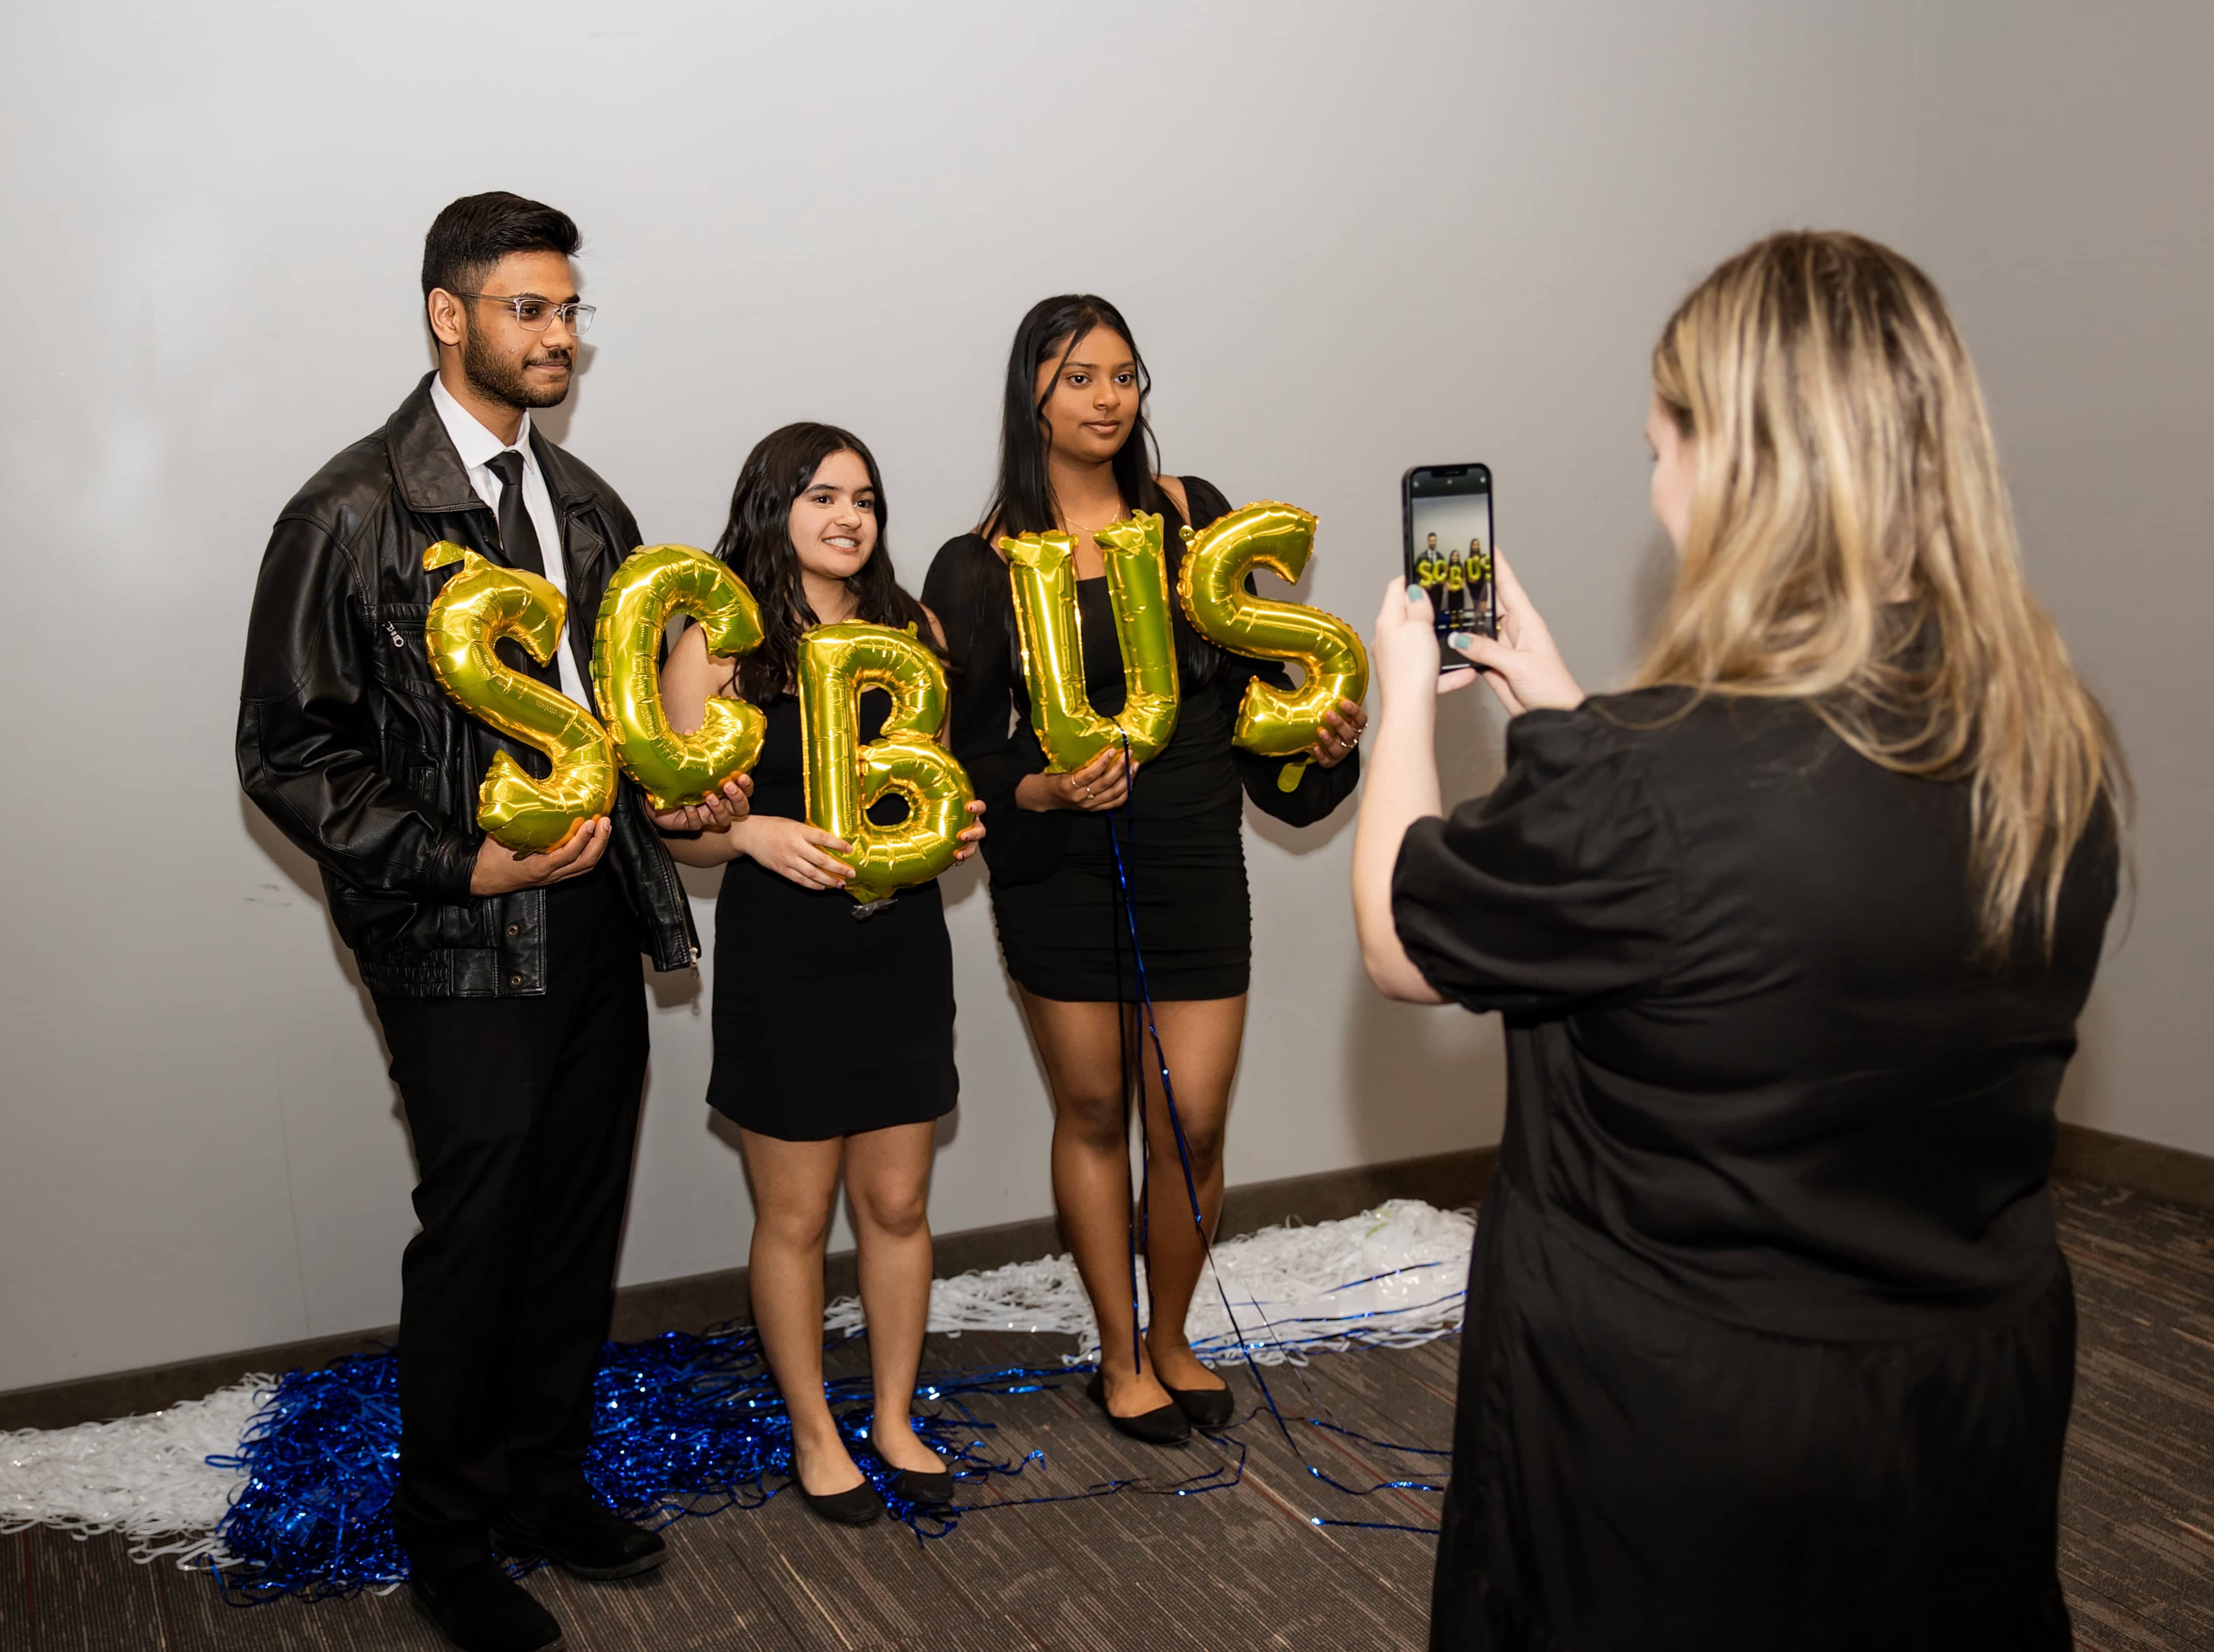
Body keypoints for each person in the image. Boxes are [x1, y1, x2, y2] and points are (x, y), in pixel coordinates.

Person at [1350, 231, 2123, 1649]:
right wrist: (1558, 703)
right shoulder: (2048, 749)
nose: (1657, 493)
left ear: (1734, 465)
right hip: (1960, 1396)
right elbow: (1725, 902)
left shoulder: (1649, 781)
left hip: (1681, 1429)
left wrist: (1403, 696)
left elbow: (1407, 933)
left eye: (1659, 450)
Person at [237, 192, 750, 1652]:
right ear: (445, 314)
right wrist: (465, 865)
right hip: (457, 936)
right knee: (477, 1233)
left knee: (574, 1220)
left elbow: (635, 716)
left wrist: (691, 784)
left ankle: (543, 1487)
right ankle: (448, 1542)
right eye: (529, 308)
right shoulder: (346, 511)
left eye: (571, 310)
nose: (560, 337)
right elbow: (288, 751)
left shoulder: (589, 509)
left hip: (594, 918)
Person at [922, 295, 1367, 1444]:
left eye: (1125, 375)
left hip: (1189, 849)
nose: (1109, 397)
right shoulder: (976, 567)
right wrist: (1048, 788)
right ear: (1035, 392)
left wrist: (1314, 735)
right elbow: (967, 757)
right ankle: (1119, 1356)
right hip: (1063, 861)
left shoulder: (1192, 518)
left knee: (1197, 1124)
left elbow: (1260, 689)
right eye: (1081, 377)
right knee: (1093, 1111)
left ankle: (1174, 1337)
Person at [659, 424, 985, 1526]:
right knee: (795, 1216)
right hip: (783, 957)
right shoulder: (722, 641)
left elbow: (937, 785)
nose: (850, 517)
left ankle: (894, 1417)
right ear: (773, 507)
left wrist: (955, 825)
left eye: (867, 499)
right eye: (822, 496)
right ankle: (815, 1432)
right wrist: (747, 839)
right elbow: (674, 828)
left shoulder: (915, 630)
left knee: (897, 1202)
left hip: (899, 948)